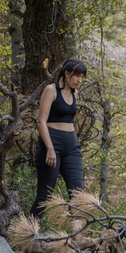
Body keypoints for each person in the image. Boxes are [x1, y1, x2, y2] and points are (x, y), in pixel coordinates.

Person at [31, 59, 87, 223]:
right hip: (52, 144)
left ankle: (77, 237)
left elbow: (69, 121)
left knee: (78, 194)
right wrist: (49, 148)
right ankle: (29, 236)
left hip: (72, 147)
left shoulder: (74, 93)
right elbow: (41, 121)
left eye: (82, 77)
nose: (80, 80)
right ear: (67, 73)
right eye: (77, 76)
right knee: (45, 195)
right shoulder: (51, 90)